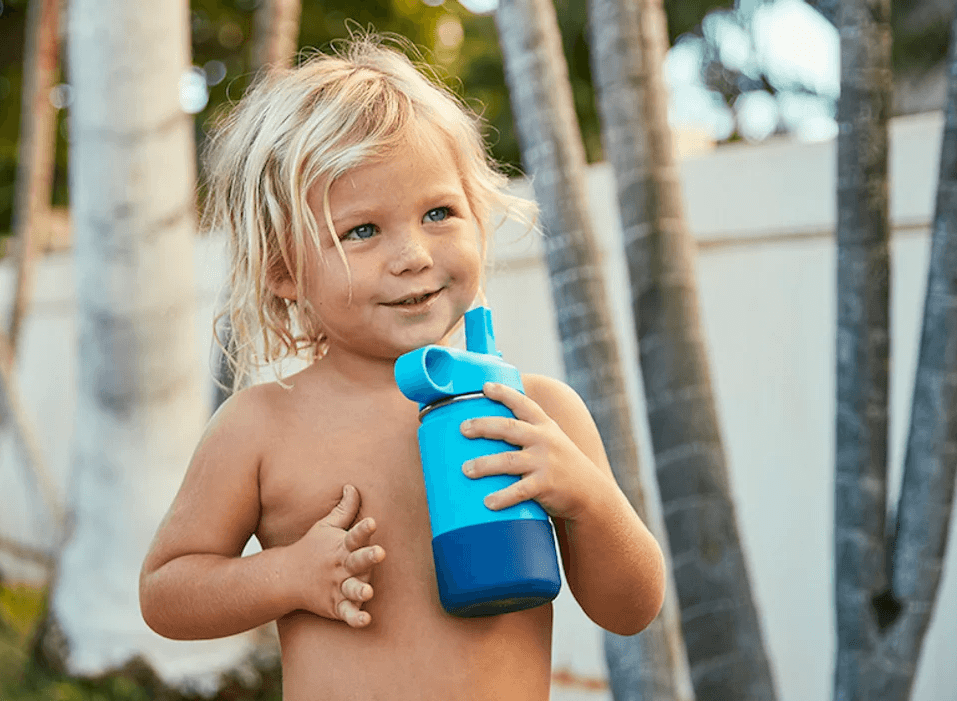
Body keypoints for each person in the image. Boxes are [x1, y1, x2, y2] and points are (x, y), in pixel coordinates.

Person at [140, 36, 665, 700]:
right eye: (361, 230)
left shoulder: (536, 413)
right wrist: (289, 573)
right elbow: (166, 591)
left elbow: (632, 608)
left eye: (438, 212)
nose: (413, 254)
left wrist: (585, 496)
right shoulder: (261, 425)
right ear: (282, 270)